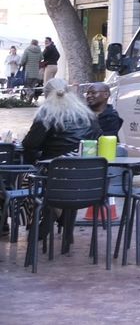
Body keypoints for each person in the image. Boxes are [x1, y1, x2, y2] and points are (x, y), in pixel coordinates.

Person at [22, 77, 103, 253]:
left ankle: (50, 216)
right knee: (56, 179)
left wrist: (37, 157)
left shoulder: (46, 114)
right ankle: (61, 216)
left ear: (46, 95)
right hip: (86, 176)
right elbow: (98, 139)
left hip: (52, 174)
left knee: (25, 179)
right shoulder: (87, 114)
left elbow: (29, 145)